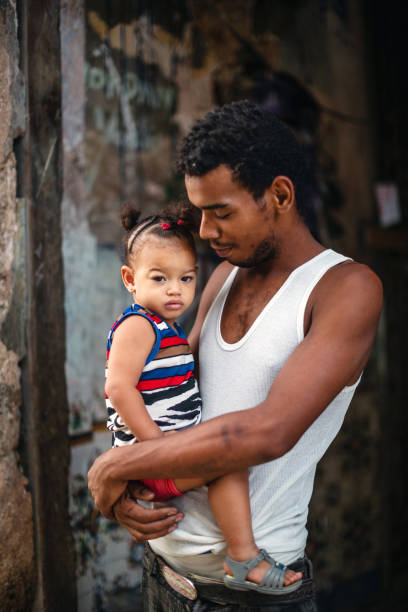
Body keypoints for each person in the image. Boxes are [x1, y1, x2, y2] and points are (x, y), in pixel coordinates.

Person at [88, 100, 383, 611]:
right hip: (164, 577)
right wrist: (129, 483)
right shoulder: (222, 277)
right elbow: (179, 398)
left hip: (250, 600)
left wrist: (113, 467)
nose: (203, 230)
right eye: (200, 211)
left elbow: (266, 432)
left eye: (220, 211)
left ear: (280, 196)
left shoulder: (344, 288)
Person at [105, 201, 301, 594]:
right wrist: (155, 447)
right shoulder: (138, 326)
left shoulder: (168, 329)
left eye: (186, 279)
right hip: (153, 456)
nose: (176, 290)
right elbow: (118, 388)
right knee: (228, 461)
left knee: (224, 460)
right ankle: (244, 559)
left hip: (163, 452)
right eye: (159, 278)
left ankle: (243, 556)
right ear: (130, 279)